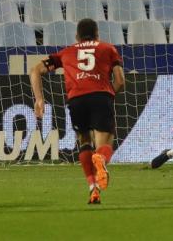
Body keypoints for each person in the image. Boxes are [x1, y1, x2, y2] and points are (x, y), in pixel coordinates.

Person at [30, 18, 125, 205]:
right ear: (97, 35)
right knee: (104, 145)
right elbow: (120, 80)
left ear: (77, 36)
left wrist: (39, 99)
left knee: (83, 141)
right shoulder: (108, 49)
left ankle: (93, 189)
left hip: (76, 100)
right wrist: (109, 95)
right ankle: (101, 159)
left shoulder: (67, 52)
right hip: (100, 96)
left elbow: (35, 70)